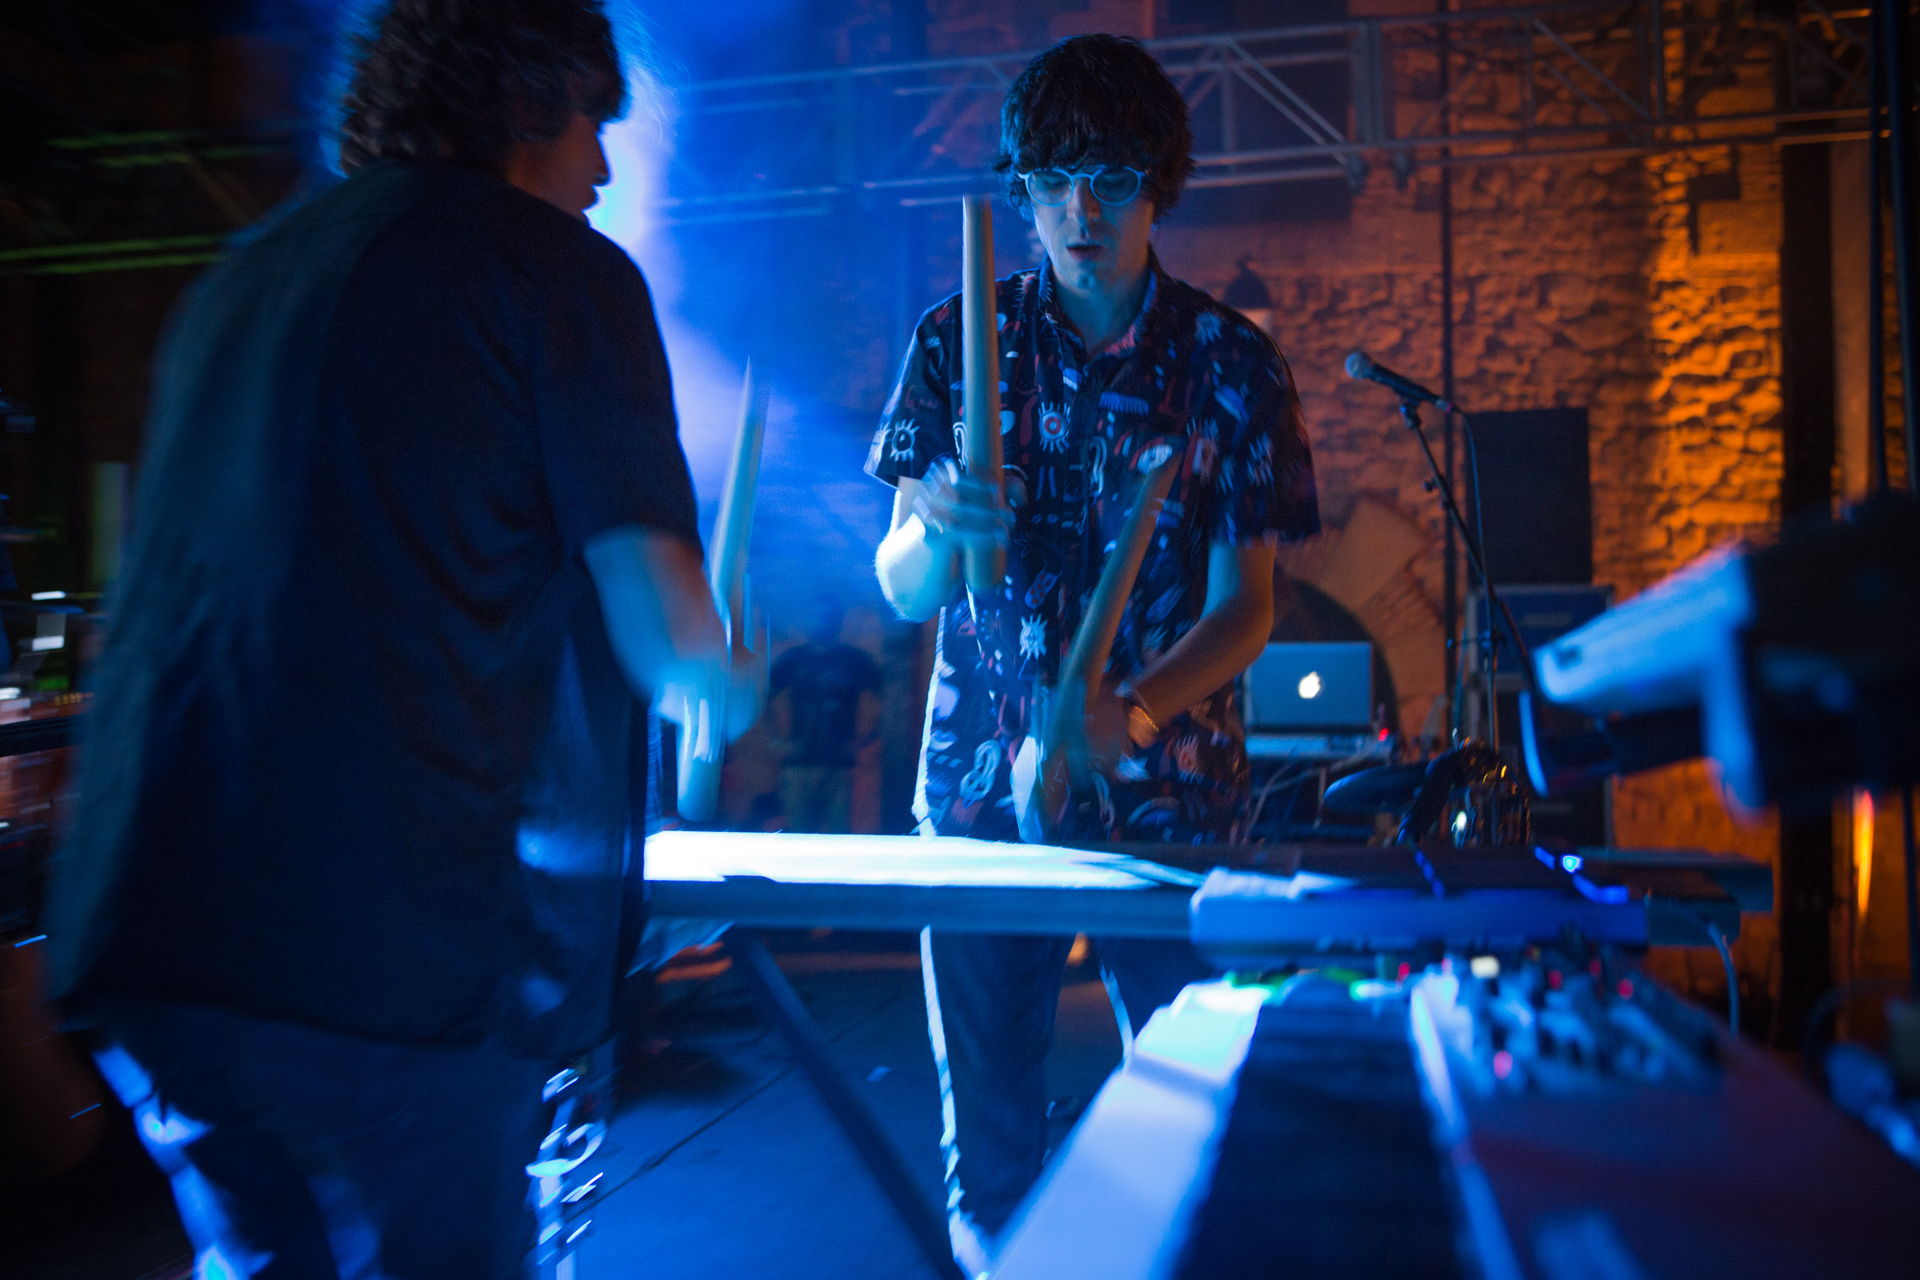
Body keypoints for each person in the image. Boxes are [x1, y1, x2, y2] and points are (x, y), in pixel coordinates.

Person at [44, 3, 749, 1276]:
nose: (602, 167)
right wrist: (731, 676)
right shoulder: (558, 270)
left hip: (152, 925)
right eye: (591, 121)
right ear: (527, 97)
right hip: (378, 944)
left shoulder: (240, 277)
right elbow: (669, 636)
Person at [867, 34, 1319, 1273]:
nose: (1081, 210)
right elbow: (900, 586)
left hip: (1169, 796)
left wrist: (1137, 710)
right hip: (976, 793)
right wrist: (933, 527)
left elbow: (1247, 608)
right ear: (1022, 190)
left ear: (1156, 187)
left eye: (1112, 178)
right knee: (989, 1159)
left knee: (1186, 1133)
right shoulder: (956, 339)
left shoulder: (1234, 364)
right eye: (1055, 179)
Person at [767, 596, 880, 833]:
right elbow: (768, 700)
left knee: (837, 835)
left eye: (829, 617)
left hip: (838, 763)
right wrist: (777, 740)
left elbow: (881, 702)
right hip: (800, 761)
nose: (823, 623)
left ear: (839, 621)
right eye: (818, 617)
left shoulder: (854, 660)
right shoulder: (793, 659)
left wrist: (862, 741)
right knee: (798, 835)